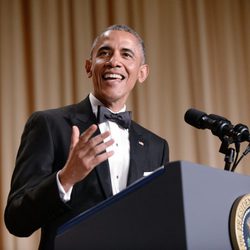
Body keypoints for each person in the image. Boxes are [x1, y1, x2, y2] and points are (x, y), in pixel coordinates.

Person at [4, 24, 169, 249]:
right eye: (104, 52)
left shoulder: (156, 146)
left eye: (126, 54)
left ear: (142, 73)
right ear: (89, 67)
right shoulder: (49, 124)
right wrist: (66, 178)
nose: (114, 61)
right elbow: (16, 220)